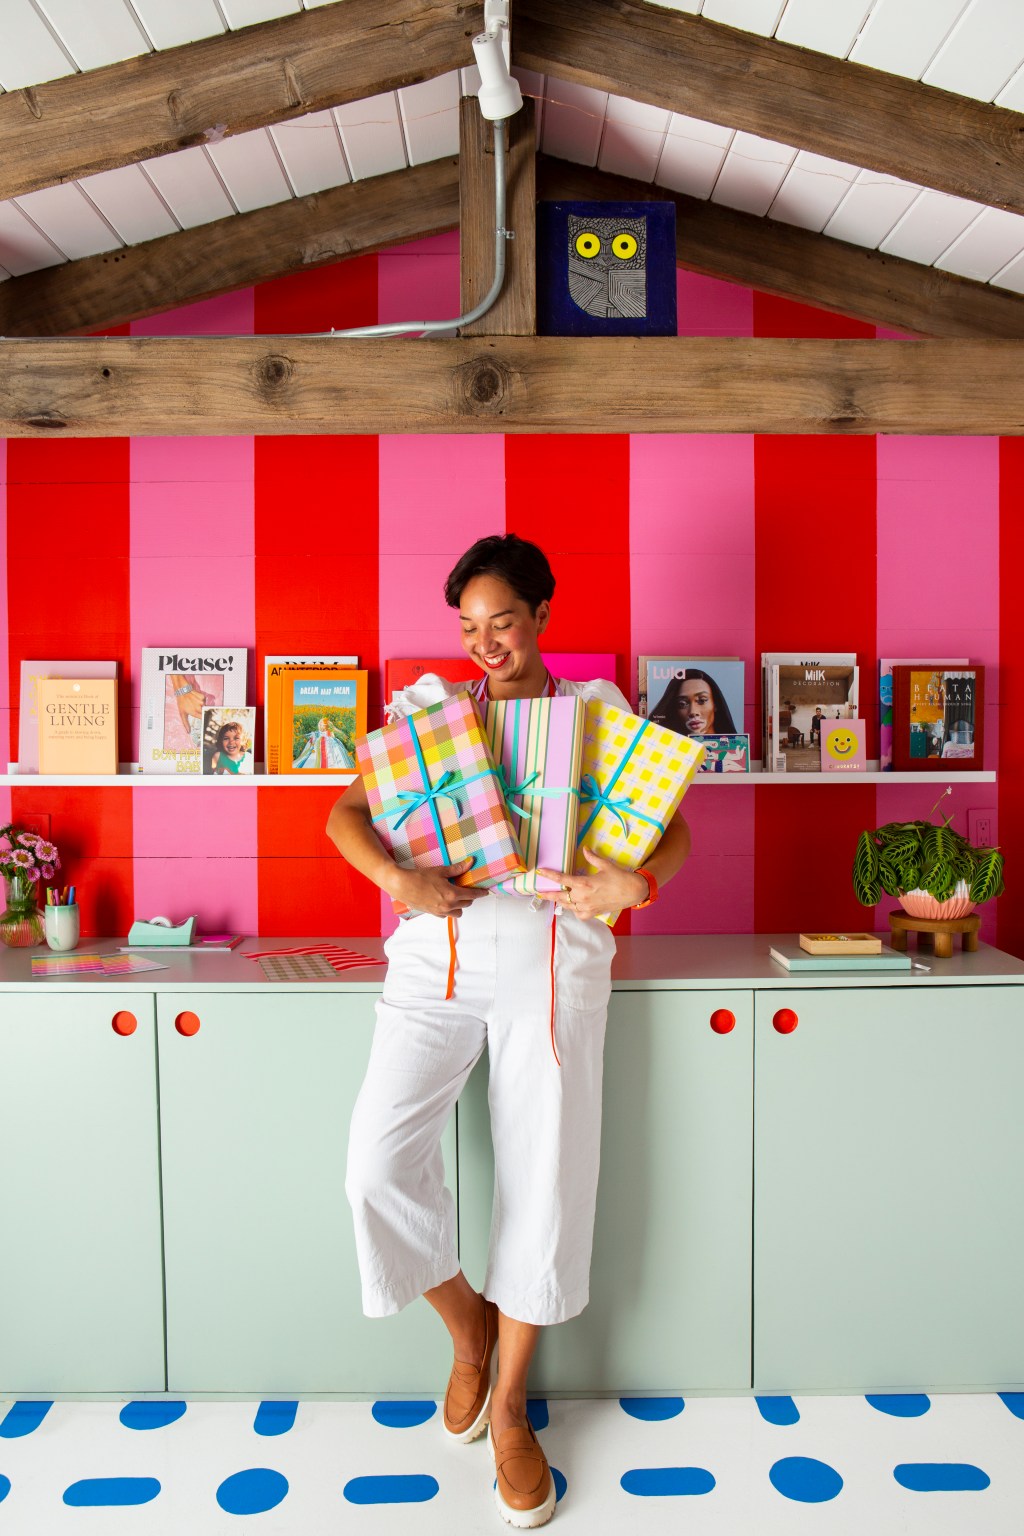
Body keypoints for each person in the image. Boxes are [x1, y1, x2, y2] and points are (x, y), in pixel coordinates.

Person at [326, 534, 692, 1529]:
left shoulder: (600, 714)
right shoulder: (425, 718)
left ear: (541, 616)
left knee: (548, 1171)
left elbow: (671, 826)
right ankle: (469, 1331)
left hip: (552, 951)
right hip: (435, 951)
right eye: (468, 627)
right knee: (373, 1166)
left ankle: (512, 1403)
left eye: (504, 621)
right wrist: (398, 879)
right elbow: (344, 818)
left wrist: (633, 882)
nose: (486, 643)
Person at [648, 668, 737, 736]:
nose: (693, 712)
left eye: (702, 700)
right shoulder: (668, 751)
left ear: (715, 704)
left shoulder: (736, 747)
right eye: (682, 704)